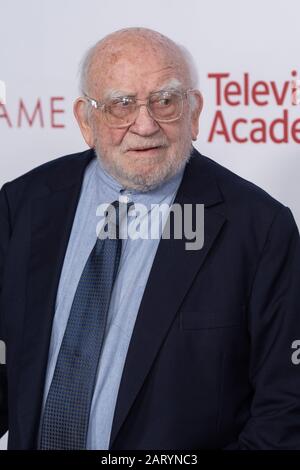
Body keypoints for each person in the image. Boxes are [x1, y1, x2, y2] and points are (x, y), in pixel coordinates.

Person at [0, 27, 300, 450]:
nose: (145, 124)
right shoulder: (23, 205)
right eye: (121, 104)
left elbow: (285, 406)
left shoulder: (261, 228)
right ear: (87, 120)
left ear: (193, 110)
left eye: (165, 101)